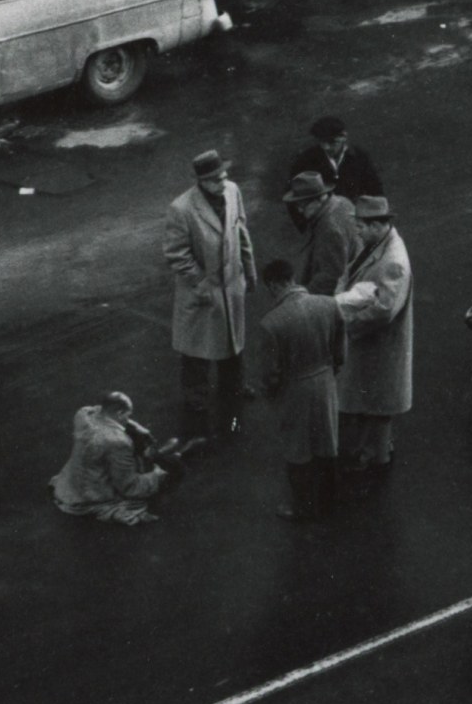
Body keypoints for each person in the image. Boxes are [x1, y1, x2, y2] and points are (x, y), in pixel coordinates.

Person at [164, 149, 257, 442]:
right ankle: (196, 397)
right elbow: (176, 254)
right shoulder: (182, 209)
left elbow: (241, 230)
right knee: (198, 348)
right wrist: (201, 283)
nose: (223, 182)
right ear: (201, 182)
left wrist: (249, 269)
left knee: (233, 341)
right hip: (202, 290)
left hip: (231, 283)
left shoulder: (232, 192)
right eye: (215, 179)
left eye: (224, 175)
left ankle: (235, 387)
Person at [334, 196, 412, 499]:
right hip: (374, 344)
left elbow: (383, 310)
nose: (357, 232)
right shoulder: (378, 246)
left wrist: (347, 324)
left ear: (379, 225)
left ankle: (374, 461)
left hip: (378, 345)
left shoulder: (392, 261)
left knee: (377, 403)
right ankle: (376, 453)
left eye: (362, 226)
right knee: (374, 401)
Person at [257, 259, 345, 521]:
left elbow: (270, 374)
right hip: (326, 381)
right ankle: (328, 502)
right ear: (293, 278)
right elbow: (341, 353)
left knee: (298, 449)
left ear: (273, 285)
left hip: (294, 388)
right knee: (327, 443)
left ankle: (301, 507)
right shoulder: (329, 305)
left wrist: (272, 391)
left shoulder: (271, 323)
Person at [49, 392, 187, 526]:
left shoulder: (83, 414)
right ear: (120, 413)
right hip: (90, 495)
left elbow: (98, 409)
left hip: (72, 484)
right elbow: (129, 487)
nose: (129, 418)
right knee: (172, 468)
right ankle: (158, 456)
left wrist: (137, 427)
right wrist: (157, 475)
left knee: (131, 437)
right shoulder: (118, 442)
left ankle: (154, 455)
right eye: (128, 414)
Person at [283, 171, 360, 296]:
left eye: (302, 204)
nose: (299, 209)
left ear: (318, 199)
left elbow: (331, 278)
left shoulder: (329, 229)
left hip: (342, 294)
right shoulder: (343, 202)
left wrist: (304, 298)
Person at [288, 117, 383, 202]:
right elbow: (292, 195)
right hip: (318, 218)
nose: (326, 147)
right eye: (322, 141)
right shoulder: (307, 158)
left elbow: (375, 190)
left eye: (331, 142)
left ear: (344, 137)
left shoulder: (360, 157)